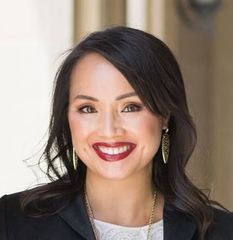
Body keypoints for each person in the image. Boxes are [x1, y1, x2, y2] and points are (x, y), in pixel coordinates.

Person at [0, 26, 232, 240]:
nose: (109, 130)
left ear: (164, 116)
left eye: (130, 107)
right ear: (67, 118)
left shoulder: (220, 231)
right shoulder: (11, 223)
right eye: (88, 109)